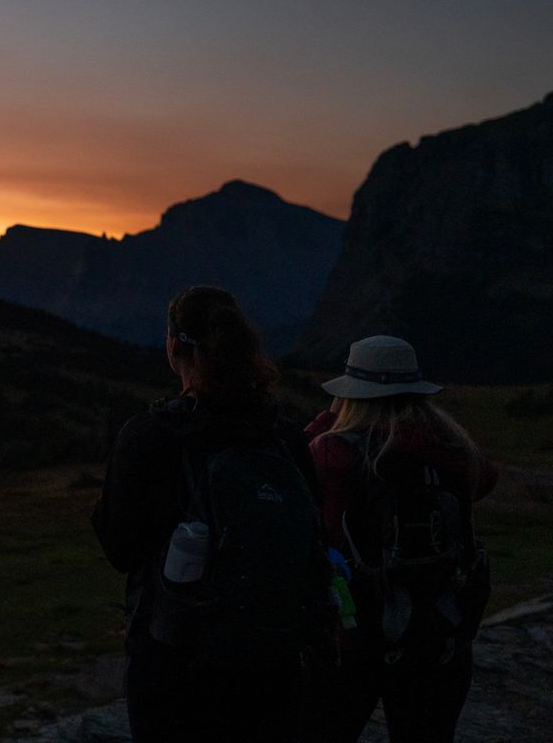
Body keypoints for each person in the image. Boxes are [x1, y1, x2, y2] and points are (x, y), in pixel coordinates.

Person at [92, 286, 326, 743]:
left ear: (175, 345)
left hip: (177, 658)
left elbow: (120, 548)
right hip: (275, 654)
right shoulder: (283, 434)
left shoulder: (150, 434)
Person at [302, 335, 495, 743]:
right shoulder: (453, 449)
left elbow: (297, 469)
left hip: (354, 639)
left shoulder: (333, 454)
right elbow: (486, 477)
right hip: (440, 635)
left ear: (351, 393)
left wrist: (325, 421)